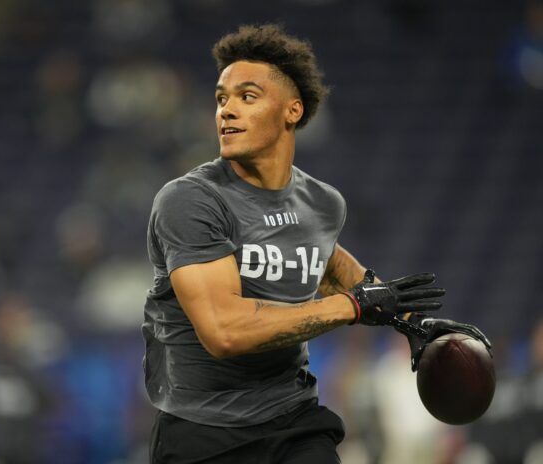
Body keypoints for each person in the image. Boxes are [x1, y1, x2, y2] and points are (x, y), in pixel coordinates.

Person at [142, 24, 489, 463]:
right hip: (202, 432)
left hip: (293, 421)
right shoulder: (190, 200)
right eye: (221, 98)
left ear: (292, 110)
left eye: (247, 96)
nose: (226, 111)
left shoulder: (321, 202)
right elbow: (223, 331)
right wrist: (352, 307)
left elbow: (326, 265)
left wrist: (409, 322)